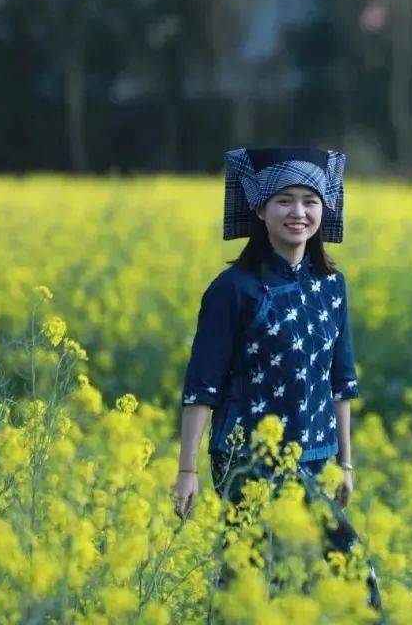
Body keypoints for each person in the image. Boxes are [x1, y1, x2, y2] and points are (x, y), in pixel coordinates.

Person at [171, 146, 382, 611]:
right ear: (261, 209)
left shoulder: (332, 285)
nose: (298, 212)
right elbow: (201, 387)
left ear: (324, 209)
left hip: (318, 455)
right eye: (284, 200)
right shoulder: (232, 289)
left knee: (284, 583)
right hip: (248, 458)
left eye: (309, 200)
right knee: (315, 570)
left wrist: (345, 462)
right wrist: (187, 470)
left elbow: (340, 379)